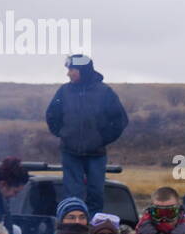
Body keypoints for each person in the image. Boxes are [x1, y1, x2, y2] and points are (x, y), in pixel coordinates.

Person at [44, 53, 129, 216]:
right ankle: (71, 227)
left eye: (72, 69)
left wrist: (102, 139)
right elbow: (51, 115)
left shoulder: (105, 92)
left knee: (96, 194)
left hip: (96, 154)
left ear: (82, 70)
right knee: (72, 196)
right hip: (70, 153)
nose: (68, 73)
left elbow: (120, 120)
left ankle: (91, 229)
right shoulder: (64, 91)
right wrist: (63, 134)